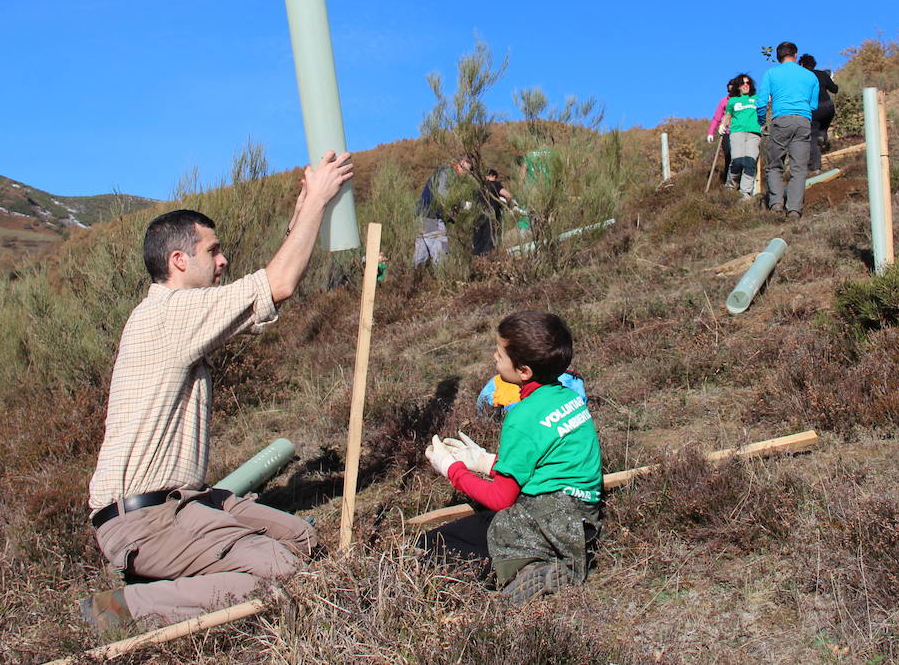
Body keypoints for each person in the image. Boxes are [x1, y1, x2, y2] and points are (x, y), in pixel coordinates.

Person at [81, 151, 355, 631]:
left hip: (188, 502)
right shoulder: (169, 314)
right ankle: (123, 608)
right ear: (178, 260)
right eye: (213, 250)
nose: (223, 259)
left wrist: (306, 205)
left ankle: (169, 577)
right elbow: (279, 283)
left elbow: (263, 293)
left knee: (304, 543)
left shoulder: (182, 315)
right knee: (284, 570)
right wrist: (317, 202)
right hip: (146, 521)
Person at [420, 311, 602, 604]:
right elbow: (539, 464)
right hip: (583, 517)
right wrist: (482, 461)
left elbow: (502, 499)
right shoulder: (569, 399)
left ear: (524, 371)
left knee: (431, 547)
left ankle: (534, 567)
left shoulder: (521, 417)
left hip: (545, 520)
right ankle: (555, 556)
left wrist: (452, 469)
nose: (495, 357)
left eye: (501, 354)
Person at [756, 41, 819, 219]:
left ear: (778, 56)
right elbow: (813, 105)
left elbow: (761, 102)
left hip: (781, 120)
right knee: (799, 168)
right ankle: (794, 209)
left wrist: (762, 120)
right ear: (795, 55)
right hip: (803, 120)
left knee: (775, 165)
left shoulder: (771, 73)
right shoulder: (810, 76)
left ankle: (776, 203)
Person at [415, 156, 472, 266]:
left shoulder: (447, 173)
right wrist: (462, 204)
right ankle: (443, 281)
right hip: (432, 217)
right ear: (463, 162)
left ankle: (413, 280)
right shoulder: (446, 172)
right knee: (441, 255)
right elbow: (443, 194)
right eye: (468, 170)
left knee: (421, 255)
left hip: (424, 215)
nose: (468, 173)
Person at [717, 73, 761, 201]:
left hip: (754, 133)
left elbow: (765, 107)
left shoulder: (756, 98)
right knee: (737, 160)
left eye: (748, 83)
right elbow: (728, 115)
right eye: (743, 83)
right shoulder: (733, 101)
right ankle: (730, 185)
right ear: (738, 86)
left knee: (750, 162)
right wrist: (722, 125)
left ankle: (745, 192)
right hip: (737, 132)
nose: (746, 85)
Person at [799, 55, 839, 173]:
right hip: (828, 108)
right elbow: (835, 89)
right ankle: (823, 135)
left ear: (802, 65)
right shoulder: (822, 74)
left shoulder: (802, 78)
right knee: (824, 125)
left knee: (812, 138)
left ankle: (815, 167)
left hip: (814, 111)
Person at [707, 77, 737, 186]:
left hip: (741, 131)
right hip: (727, 132)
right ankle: (728, 182)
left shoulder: (744, 100)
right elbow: (717, 117)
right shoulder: (724, 101)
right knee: (729, 156)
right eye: (729, 90)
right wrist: (711, 132)